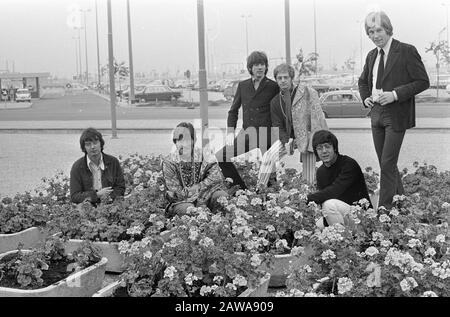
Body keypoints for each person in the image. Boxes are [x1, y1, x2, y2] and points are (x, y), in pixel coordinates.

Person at [358, 11, 429, 209]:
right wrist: (366, 99)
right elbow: (363, 81)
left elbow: (423, 81)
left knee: (387, 164)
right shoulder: (372, 55)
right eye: (370, 32)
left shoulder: (406, 51)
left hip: (396, 114)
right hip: (376, 114)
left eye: (378, 30)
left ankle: (384, 211)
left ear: (388, 29)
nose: (375, 35)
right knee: (385, 163)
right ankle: (402, 204)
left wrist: (395, 94)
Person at [216, 51, 280, 189]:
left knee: (270, 176)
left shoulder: (273, 86)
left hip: (267, 135)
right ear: (250, 67)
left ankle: (272, 198)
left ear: (266, 67)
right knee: (221, 156)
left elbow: (281, 110)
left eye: (262, 64)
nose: (260, 67)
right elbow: (233, 111)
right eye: (256, 64)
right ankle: (240, 189)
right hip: (247, 133)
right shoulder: (243, 86)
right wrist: (230, 132)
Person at [306, 130, 372, 229]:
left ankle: (343, 240)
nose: (324, 151)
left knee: (329, 205)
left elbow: (334, 191)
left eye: (327, 146)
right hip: (340, 214)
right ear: (316, 152)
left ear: (335, 148)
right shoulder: (321, 171)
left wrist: (305, 199)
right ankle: (335, 234)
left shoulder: (348, 164)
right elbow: (323, 198)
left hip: (361, 217)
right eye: (319, 148)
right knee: (315, 228)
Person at [163, 122, 228, 216]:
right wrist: (197, 203)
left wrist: (198, 188)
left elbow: (216, 177)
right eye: (180, 141)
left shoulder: (204, 156)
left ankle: (219, 223)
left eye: (187, 140)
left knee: (222, 197)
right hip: (182, 202)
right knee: (189, 209)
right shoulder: (169, 162)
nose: (184, 145)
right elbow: (175, 192)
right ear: (175, 142)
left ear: (194, 140)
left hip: (205, 197)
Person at [70, 127, 125, 205]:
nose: (93, 147)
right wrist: (97, 195)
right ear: (84, 148)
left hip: (111, 203)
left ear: (101, 144)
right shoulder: (77, 167)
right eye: (88, 144)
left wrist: (108, 199)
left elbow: (120, 188)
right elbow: (74, 196)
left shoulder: (113, 162)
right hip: (88, 206)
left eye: (95, 143)